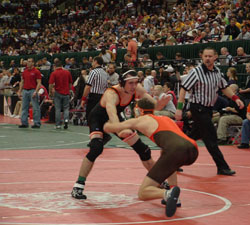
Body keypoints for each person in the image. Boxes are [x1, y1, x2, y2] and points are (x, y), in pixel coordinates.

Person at [71, 69, 171, 200]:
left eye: (136, 82)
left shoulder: (137, 89)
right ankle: (78, 186)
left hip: (116, 119)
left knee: (143, 150)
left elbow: (153, 105)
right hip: (99, 119)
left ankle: (159, 181)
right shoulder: (111, 94)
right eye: (130, 83)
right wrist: (120, 130)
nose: (134, 86)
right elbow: (112, 116)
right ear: (122, 83)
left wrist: (159, 105)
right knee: (96, 148)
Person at [104, 97, 198, 217]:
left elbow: (116, 128)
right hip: (193, 149)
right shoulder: (165, 118)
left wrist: (107, 124)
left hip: (175, 150)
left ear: (138, 110)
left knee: (143, 193)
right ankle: (174, 193)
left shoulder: (139, 120)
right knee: (165, 155)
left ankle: (167, 194)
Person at [175, 47, 244, 176]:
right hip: (198, 108)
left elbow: (224, 88)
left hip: (208, 109)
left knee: (192, 137)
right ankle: (222, 166)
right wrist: (179, 108)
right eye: (205, 56)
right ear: (202, 57)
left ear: (215, 57)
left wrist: (236, 98)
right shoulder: (196, 72)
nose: (207, 58)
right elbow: (183, 89)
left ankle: (173, 161)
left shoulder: (217, 72)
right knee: (211, 137)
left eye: (210, 56)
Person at [81, 56, 109, 121]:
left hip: (94, 97)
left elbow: (88, 86)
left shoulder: (93, 72)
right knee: (99, 118)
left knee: (91, 118)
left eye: (93, 61)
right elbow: (106, 87)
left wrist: (83, 98)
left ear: (96, 61)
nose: (92, 63)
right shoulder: (105, 73)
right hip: (102, 97)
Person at [17, 58, 42, 128]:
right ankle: (24, 122)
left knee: (35, 107)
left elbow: (39, 83)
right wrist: (19, 91)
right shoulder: (24, 72)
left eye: (30, 62)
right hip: (25, 90)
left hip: (32, 90)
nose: (28, 63)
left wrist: (36, 91)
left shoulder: (36, 71)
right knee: (24, 107)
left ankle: (37, 123)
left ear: (33, 63)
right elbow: (22, 82)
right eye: (27, 61)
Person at [49, 60, 73, 129]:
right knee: (66, 108)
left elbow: (50, 84)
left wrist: (50, 92)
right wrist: (68, 89)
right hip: (66, 93)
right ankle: (66, 120)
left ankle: (58, 124)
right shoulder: (67, 72)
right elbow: (70, 83)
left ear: (55, 66)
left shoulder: (54, 73)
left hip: (58, 93)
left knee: (58, 109)